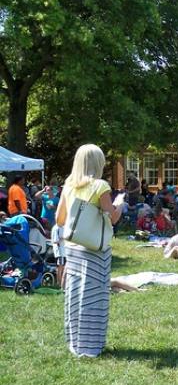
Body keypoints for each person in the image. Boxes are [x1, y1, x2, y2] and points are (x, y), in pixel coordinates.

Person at [55, 144, 124, 358]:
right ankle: (91, 346)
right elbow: (112, 217)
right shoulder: (100, 186)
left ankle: (75, 342)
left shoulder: (69, 185)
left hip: (73, 249)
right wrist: (120, 205)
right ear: (98, 163)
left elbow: (60, 219)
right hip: (94, 250)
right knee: (94, 298)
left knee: (75, 296)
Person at [50, 223, 66, 289]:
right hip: (60, 251)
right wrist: (64, 238)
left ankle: (61, 283)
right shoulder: (56, 228)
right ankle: (59, 284)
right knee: (60, 267)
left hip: (63, 251)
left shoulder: (63, 227)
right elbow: (55, 241)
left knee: (62, 267)